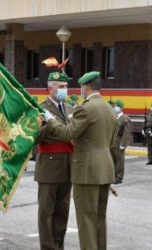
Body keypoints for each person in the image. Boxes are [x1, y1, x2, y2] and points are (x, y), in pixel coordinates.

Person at [43, 71, 118, 249]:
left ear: (85, 87)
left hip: (87, 171)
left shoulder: (85, 108)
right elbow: (112, 142)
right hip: (105, 168)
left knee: (86, 219)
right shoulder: (108, 108)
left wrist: (51, 120)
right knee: (99, 218)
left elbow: (68, 134)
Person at [35, 71, 74, 250]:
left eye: (66, 86)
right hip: (49, 166)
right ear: (50, 89)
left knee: (62, 211)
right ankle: (47, 247)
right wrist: (48, 123)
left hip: (68, 166)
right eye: (61, 87)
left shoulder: (69, 108)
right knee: (46, 212)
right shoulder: (40, 108)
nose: (64, 90)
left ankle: (58, 245)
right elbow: (35, 137)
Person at [110, 99, 131, 184]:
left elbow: (126, 133)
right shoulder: (113, 117)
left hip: (119, 142)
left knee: (119, 160)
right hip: (112, 142)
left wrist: (123, 144)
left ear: (121, 107)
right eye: (115, 106)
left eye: (117, 106)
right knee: (113, 160)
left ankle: (119, 177)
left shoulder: (125, 118)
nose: (115, 107)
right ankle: (113, 176)